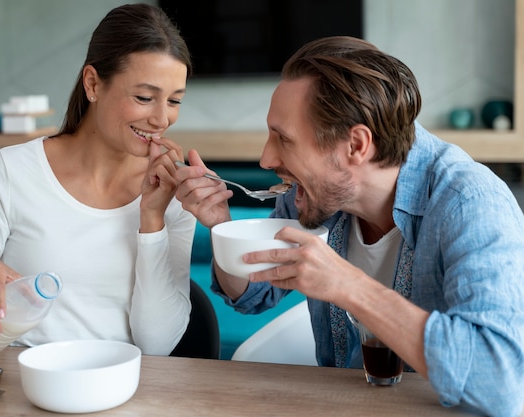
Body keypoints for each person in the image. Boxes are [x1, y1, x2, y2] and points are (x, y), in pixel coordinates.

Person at [175, 36, 524, 416]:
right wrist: (223, 227)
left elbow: (502, 383)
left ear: (356, 145)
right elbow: (254, 295)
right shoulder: (314, 191)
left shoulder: (469, 203)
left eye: (284, 139)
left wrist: (350, 286)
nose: (266, 158)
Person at [0, 3, 196, 356]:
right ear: (93, 84)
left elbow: (158, 344)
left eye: (174, 101)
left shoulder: (173, 192)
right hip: (19, 387)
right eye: (144, 97)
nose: (161, 118)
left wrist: (152, 221)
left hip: (121, 391)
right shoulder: (13, 170)